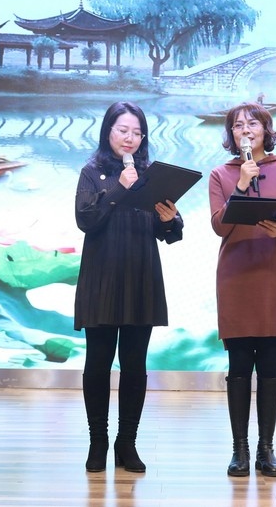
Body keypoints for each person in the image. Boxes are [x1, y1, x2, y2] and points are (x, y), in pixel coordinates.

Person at [74, 101, 184, 473]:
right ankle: (98, 442)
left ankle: (127, 443)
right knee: (98, 363)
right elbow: (85, 220)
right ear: (108, 131)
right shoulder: (92, 172)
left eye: (137, 132)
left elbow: (170, 233)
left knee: (135, 364)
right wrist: (119, 189)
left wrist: (169, 219)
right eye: (123, 130)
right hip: (102, 276)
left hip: (141, 275)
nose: (130, 138)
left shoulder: (151, 175)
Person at [208, 101, 276, 478]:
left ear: (266, 130)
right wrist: (241, 184)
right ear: (231, 135)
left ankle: (267, 449)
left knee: (269, 365)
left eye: (252, 124)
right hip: (236, 275)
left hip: (275, 274)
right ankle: (240, 449)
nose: (245, 130)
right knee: (238, 365)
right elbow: (219, 226)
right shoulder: (221, 174)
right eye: (238, 125)